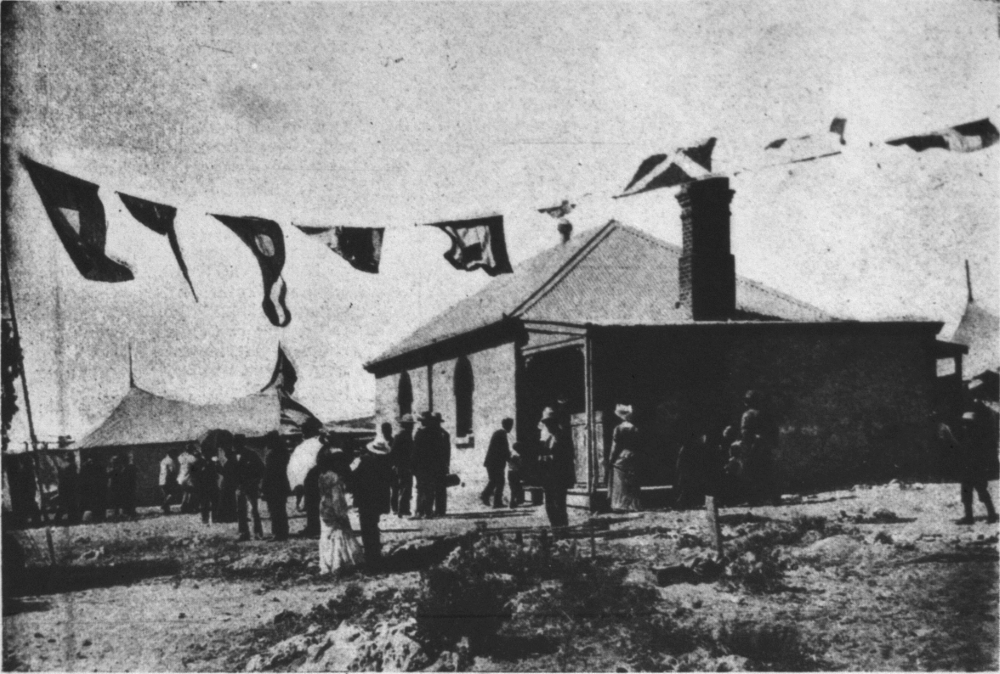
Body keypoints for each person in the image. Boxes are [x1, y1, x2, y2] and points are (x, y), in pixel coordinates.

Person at [317, 446, 365, 576]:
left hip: (324, 507)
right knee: (340, 534)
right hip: (333, 508)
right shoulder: (335, 478)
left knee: (327, 535)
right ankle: (341, 563)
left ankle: (328, 562)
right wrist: (340, 513)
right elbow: (337, 498)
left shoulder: (322, 475)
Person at [947, 411, 999, 525]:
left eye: (968, 423)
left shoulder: (977, 437)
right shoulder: (969, 435)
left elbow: (966, 449)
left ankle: (991, 514)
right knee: (967, 493)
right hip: (970, 469)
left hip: (976, 469)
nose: (965, 425)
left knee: (982, 492)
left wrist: (951, 437)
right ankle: (971, 516)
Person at [353, 433, 394, 569]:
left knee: (366, 528)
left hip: (365, 499)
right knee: (373, 526)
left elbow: (354, 477)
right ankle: (375, 555)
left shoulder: (364, 461)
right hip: (378, 500)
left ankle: (371, 558)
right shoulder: (386, 463)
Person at [740, 390, 781, 506]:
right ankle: (775, 498)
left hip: (753, 447)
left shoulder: (747, 415)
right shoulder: (766, 413)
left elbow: (745, 432)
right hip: (765, 446)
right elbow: (774, 430)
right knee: (767, 471)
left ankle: (753, 500)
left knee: (751, 473)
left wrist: (745, 447)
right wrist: (774, 444)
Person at [536, 407, 575, 528]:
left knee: (559, 503)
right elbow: (544, 453)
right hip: (548, 476)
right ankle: (556, 527)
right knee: (549, 504)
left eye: (549, 423)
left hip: (559, 476)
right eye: (546, 423)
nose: (547, 426)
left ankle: (562, 528)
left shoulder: (563, 436)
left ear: (554, 423)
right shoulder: (549, 438)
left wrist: (551, 458)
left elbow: (569, 455)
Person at [608, 404, 642, 512]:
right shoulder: (635, 428)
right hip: (633, 455)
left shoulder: (618, 428)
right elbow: (638, 444)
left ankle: (620, 504)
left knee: (620, 480)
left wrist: (611, 459)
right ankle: (633, 504)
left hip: (621, 456)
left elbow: (615, 446)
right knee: (632, 480)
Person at [261, 431, 292, 541]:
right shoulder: (283, 452)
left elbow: (268, 472)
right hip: (282, 484)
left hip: (273, 485)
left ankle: (279, 533)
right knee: (280, 510)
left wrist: (263, 486)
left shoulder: (273, 454)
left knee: (275, 510)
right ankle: (282, 532)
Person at [233, 435, 264, 541]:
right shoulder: (232, 456)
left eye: (237, 443)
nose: (235, 446)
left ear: (242, 443)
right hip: (239, 487)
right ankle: (243, 533)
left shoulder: (251, 454)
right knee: (240, 511)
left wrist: (254, 482)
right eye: (234, 443)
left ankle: (257, 533)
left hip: (251, 486)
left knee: (254, 510)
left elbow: (261, 470)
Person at [412, 411, 439, 519]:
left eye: (423, 421)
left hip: (421, 466)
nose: (422, 423)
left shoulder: (420, 433)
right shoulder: (435, 433)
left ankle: (420, 511)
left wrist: (413, 466)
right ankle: (428, 511)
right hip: (431, 465)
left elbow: (415, 451)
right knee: (429, 489)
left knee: (421, 488)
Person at [481, 418, 513, 508]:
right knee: (500, 481)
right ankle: (494, 501)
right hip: (495, 463)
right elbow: (504, 450)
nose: (511, 427)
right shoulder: (501, 434)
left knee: (494, 481)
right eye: (510, 425)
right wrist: (510, 459)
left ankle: (487, 496)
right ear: (506, 425)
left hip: (492, 463)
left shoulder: (499, 433)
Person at [390, 414, 415, 517]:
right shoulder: (401, 436)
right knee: (405, 487)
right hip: (402, 466)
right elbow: (393, 452)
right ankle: (402, 509)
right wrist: (396, 464)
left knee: (405, 487)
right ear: (405, 425)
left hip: (405, 465)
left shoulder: (407, 435)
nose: (412, 427)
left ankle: (403, 509)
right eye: (409, 425)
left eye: (411, 425)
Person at [216, 437, 239, 523]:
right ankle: (230, 516)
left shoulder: (230, 456)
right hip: (228, 480)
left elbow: (226, 470)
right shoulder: (228, 454)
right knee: (229, 498)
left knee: (226, 498)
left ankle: (226, 516)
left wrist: (218, 467)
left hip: (228, 480)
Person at [433, 413, 452, 517]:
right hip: (441, 464)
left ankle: (439, 510)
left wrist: (446, 464)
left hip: (437, 464)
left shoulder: (439, 434)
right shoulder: (444, 433)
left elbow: (447, 451)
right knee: (440, 487)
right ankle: (440, 510)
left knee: (439, 487)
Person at [79, 454, 108, 523]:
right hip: (96, 487)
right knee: (97, 502)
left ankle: (98, 516)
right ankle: (99, 516)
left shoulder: (88, 465)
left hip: (95, 487)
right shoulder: (99, 466)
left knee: (95, 502)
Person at [108, 452, 137, 519]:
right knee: (116, 499)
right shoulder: (116, 469)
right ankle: (118, 512)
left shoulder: (127, 468)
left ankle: (128, 512)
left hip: (124, 486)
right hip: (116, 486)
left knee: (126, 499)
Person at [54, 453, 80, 525]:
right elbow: (72, 478)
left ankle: (69, 519)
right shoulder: (71, 466)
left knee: (67, 505)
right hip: (69, 489)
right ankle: (70, 519)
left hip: (66, 489)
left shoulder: (66, 467)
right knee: (69, 505)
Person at [177, 444, 200, 513]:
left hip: (181, 477)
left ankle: (184, 507)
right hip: (189, 477)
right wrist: (197, 454)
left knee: (185, 493)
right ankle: (189, 507)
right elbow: (196, 463)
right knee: (191, 493)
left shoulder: (181, 456)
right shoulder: (192, 457)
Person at [159, 448, 180, 514]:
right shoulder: (171, 461)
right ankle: (164, 505)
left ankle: (166, 510)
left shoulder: (163, 460)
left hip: (162, 479)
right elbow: (171, 471)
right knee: (172, 493)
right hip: (168, 480)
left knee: (165, 494)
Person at [508, 441, 525, 508]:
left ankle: (513, 501)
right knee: (516, 488)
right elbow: (519, 465)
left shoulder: (511, 453)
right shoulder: (517, 455)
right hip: (515, 473)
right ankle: (513, 502)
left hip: (510, 472)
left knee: (513, 488)